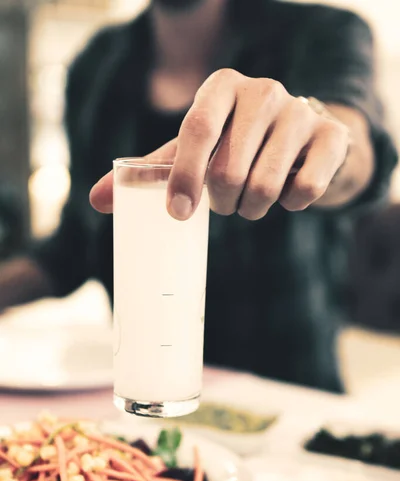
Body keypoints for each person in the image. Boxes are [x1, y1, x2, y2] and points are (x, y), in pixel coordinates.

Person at [0, 0, 397, 392]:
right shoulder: (97, 61)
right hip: (142, 394)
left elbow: (355, 153)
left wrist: (321, 141)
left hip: (284, 401)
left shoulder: (323, 32)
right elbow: (76, 242)